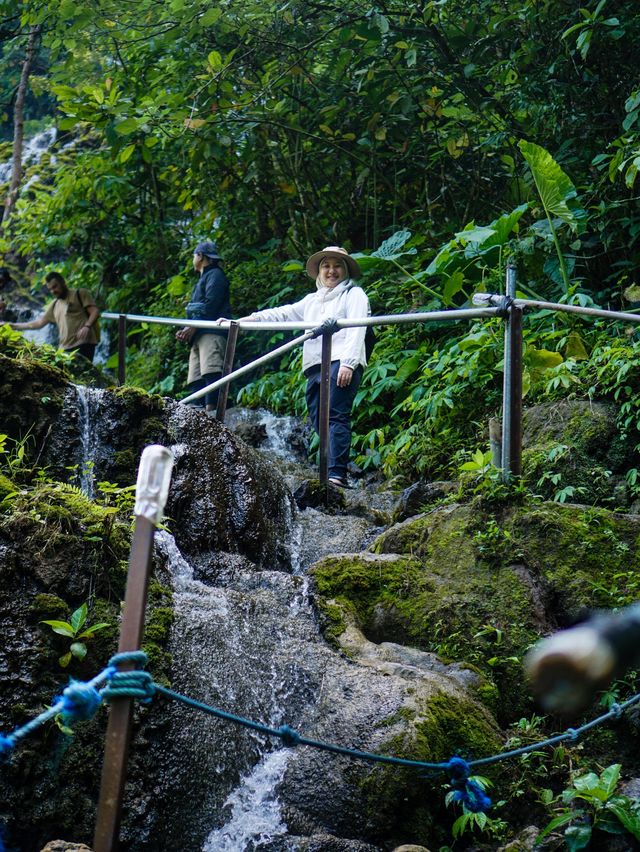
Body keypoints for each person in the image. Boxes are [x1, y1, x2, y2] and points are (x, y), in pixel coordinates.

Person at [235, 245, 369, 488]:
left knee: (336, 417)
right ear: (318, 272)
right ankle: (332, 470)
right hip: (315, 367)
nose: (331, 271)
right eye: (326, 266)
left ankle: (336, 475)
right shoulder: (312, 301)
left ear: (346, 270)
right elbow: (282, 314)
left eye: (337, 265)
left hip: (340, 361)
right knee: (319, 419)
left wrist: (349, 363)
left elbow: (358, 329)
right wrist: (243, 321)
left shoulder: (354, 294)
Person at [176, 241, 232, 415]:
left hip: (211, 331)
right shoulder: (204, 277)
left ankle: (212, 413)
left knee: (211, 370)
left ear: (200, 256)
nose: (193, 259)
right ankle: (200, 416)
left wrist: (192, 327)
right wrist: (187, 328)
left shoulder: (215, 275)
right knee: (196, 377)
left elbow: (211, 305)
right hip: (199, 332)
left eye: (194, 255)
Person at [9, 271, 100, 361]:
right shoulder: (54, 305)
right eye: (50, 289)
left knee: (84, 374)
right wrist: (13, 326)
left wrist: (87, 326)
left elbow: (95, 311)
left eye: (55, 287)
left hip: (84, 343)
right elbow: (39, 323)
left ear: (63, 282)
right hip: (65, 348)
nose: (53, 291)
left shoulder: (79, 294)